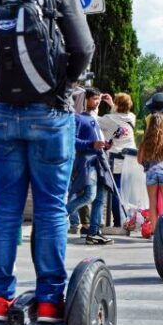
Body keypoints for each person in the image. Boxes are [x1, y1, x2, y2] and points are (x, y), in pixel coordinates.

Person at [0, 0, 94, 323]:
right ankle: (47, 302)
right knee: (50, 208)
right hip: (49, 112)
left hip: (2, 113)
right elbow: (84, 49)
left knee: (5, 207)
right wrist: (60, 86)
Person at [67, 88, 114, 245]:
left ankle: (94, 232)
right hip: (88, 163)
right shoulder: (79, 118)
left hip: (100, 162)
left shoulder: (96, 119)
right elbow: (72, 141)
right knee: (89, 196)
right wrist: (91, 144)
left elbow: (97, 142)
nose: (98, 101)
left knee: (99, 199)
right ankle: (60, 215)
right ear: (85, 100)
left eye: (99, 98)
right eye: (94, 98)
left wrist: (105, 145)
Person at [98, 92, 136, 228]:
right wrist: (112, 104)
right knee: (125, 191)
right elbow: (120, 113)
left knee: (115, 191)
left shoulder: (107, 119)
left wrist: (98, 104)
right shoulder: (132, 117)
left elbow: (92, 120)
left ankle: (118, 222)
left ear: (117, 104)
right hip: (131, 161)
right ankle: (128, 220)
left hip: (115, 162)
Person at [137, 113, 163, 230]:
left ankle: (154, 232)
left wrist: (148, 162)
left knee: (152, 204)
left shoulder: (145, 141)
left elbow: (139, 160)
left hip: (151, 173)